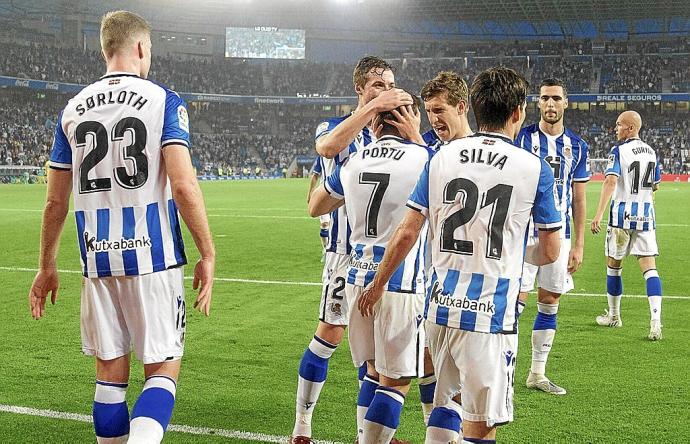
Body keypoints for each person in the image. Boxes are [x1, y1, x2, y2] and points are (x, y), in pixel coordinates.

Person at [27, 10, 215, 444]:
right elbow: (184, 185)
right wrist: (207, 252)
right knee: (163, 368)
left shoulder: (71, 110)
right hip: (153, 257)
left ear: (104, 49)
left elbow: (56, 200)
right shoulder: (163, 100)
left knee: (110, 375)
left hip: (97, 259)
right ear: (141, 48)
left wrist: (46, 265)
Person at [357, 67, 561, 444]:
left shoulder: (440, 159)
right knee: (481, 426)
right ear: (517, 112)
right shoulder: (533, 168)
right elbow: (550, 251)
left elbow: (407, 232)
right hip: (490, 313)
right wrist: (517, 254)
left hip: (440, 307)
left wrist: (378, 282)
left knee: (445, 402)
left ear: (474, 108)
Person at [291, 56, 413, 444]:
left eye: (391, 84)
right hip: (346, 253)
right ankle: (302, 425)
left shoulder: (395, 132)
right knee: (330, 332)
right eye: (379, 85)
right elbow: (327, 147)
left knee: (376, 358)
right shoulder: (340, 128)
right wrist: (374, 108)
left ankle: (371, 433)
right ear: (360, 88)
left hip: (389, 258)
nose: (388, 90)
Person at [309, 94, 433, 443]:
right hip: (398, 282)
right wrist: (418, 137)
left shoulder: (353, 163)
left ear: (374, 124)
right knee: (396, 382)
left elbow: (316, 206)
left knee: (374, 372)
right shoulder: (424, 157)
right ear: (409, 119)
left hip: (356, 278)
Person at [515, 78, 590, 395]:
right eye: (544, 98)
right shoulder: (522, 139)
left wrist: (580, 245)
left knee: (549, 301)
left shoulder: (578, 147)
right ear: (538, 103)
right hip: (520, 234)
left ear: (565, 103)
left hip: (559, 237)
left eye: (556, 98)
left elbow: (579, 198)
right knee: (514, 301)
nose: (550, 104)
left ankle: (537, 374)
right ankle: (501, 370)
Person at [591, 110, 663, 340]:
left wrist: (598, 214)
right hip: (645, 217)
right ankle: (655, 322)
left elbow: (611, 181)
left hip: (621, 217)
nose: (615, 128)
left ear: (631, 128)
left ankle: (614, 316)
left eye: (619, 125)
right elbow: (655, 187)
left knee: (614, 265)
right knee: (650, 269)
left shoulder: (619, 151)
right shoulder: (652, 152)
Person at [421, 71, 474, 144]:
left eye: (439, 110)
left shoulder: (483, 152)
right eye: (428, 111)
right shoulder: (426, 146)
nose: (433, 120)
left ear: (460, 107)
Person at [307, 156, 329, 259]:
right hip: (323, 193)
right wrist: (310, 194)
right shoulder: (322, 157)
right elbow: (315, 175)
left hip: (340, 193)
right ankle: (325, 249)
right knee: (324, 224)